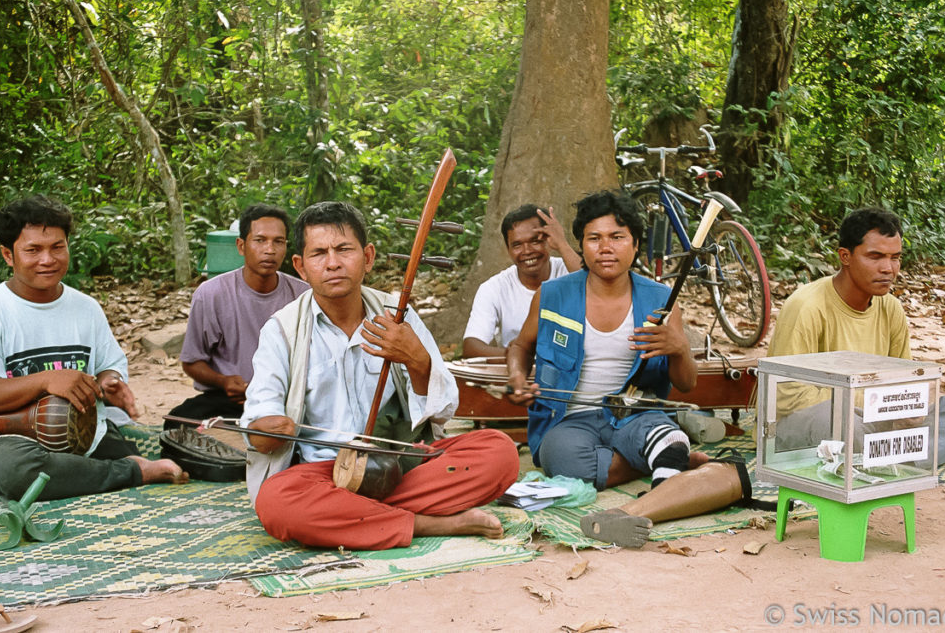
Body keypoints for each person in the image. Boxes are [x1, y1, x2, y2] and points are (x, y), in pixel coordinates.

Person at [241, 201, 519, 550]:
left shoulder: (396, 314)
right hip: (325, 474)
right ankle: (425, 523)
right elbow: (259, 429)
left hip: (399, 465)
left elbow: (445, 409)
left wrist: (417, 360)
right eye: (318, 253)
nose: (332, 263)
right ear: (300, 266)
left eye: (344, 250)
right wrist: (269, 430)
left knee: (499, 451)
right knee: (277, 501)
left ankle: (352, 519)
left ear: (368, 257)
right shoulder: (282, 330)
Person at [507, 190, 748, 548]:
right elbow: (519, 347)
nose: (606, 248)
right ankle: (667, 463)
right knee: (563, 461)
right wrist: (516, 376)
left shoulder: (659, 300)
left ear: (635, 246)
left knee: (661, 433)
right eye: (594, 238)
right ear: (582, 246)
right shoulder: (553, 293)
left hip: (634, 415)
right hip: (568, 420)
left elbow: (685, 384)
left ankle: (660, 465)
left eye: (617, 237)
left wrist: (680, 348)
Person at [0, 195, 187, 501]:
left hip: (85, 436)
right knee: (13, 471)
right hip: (14, 440)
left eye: (57, 247)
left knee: (174, 452)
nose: (48, 259)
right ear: (7, 255)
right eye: (33, 250)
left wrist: (110, 383)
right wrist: (45, 380)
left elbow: (109, 367)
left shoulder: (86, 308)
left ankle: (93, 469)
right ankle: (133, 472)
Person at [767, 206, 945, 460]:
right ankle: (899, 455)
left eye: (895, 257)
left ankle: (878, 456)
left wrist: (910, 405)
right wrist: (878, 402)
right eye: (875, 257)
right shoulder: (806, 306)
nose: (888, 268)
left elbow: (903, 379)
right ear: (845, 256)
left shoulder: (891, 308)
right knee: (843, 427)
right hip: (809, 422)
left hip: (877, 417)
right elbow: (787, 398)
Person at [164, 204, 309, 429]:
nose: (269, 250)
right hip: (229, 401)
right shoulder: (211, 294)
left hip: (286, 402)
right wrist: (224, 382)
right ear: (241, 246)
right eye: (260, 240)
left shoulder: (303, 295)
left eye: (278, 242)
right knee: (178, 423)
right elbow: (192, 361)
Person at [462, 204, 581, 357]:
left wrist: (562, 244)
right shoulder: (493, 288)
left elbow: (595, 286)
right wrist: (518, 356)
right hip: (519, 375)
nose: (527, 251)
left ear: (549, 241)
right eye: (517, 245)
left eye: (535, 241)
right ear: (508, 249)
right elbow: (472, 348)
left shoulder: (570, 271)